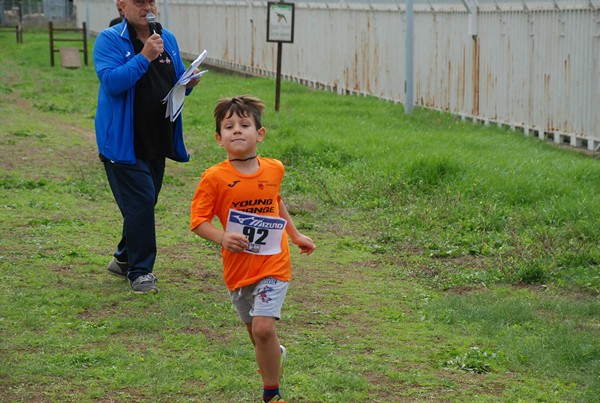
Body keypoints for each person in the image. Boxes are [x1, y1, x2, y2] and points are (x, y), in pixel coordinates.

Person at [190, 95, 315, 402]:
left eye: (244, 125)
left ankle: (271, 395)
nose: (237, 131)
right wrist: (221, 237)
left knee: (262, 329)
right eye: (229, 126)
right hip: (238, 268)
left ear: (259, 134)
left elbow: (276, 203)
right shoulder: (214, 178)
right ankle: (272, 355)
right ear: (219, 138)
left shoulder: (274, 169)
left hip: (274, 263)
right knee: (256, 333)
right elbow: (198, 221)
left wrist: (295, 235)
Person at [93, 0, 202, 293]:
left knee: (145, 202)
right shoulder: (108, 40)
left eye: (151, 0)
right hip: (122, 141)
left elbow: (174, 79)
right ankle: (141, 272)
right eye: (140, 2)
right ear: (122, 5)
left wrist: (188, 82)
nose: (148, 6)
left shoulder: (166, 38)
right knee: (141, 201)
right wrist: (144, 57)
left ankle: (123, 258)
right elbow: (112, 83)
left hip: (157, 136)